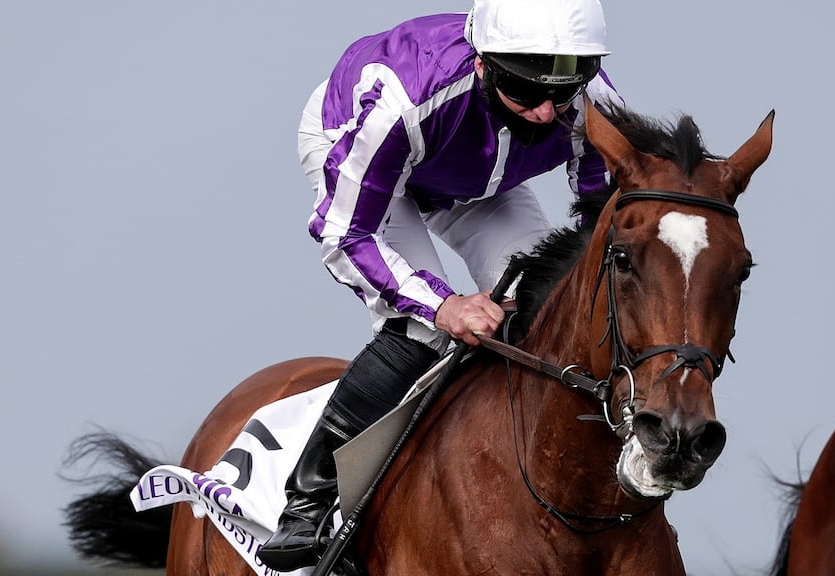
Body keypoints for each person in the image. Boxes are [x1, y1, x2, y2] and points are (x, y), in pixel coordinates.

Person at [257, 0, 621, 570]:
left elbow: (600, 223)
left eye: (564, 92)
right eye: (525, 93)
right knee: (421, 329)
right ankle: (310, 499)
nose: (548, 114)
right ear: (483, 66)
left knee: (544, 309)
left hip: (483, 178)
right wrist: (444, 304)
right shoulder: (402, 102)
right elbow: (345, 234)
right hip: (366, 158)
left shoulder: (591, 103)